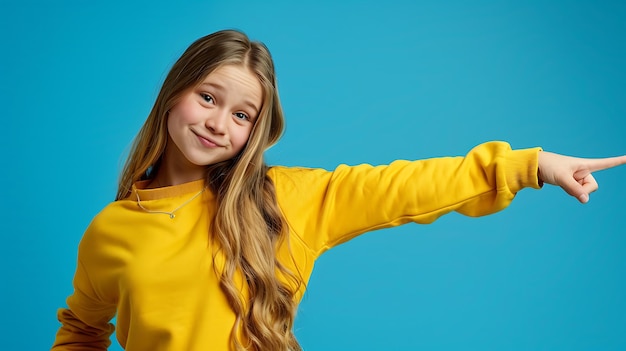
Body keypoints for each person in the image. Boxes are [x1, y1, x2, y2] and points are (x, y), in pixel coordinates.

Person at [51, 29, 626, 351]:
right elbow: (80, 329)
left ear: (256, 130)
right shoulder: (112, 231)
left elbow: (400, 188)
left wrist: (533, 164)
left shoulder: (283, 200)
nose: (219, 123)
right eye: (208, 97)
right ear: (174, 93)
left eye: (243, 114)